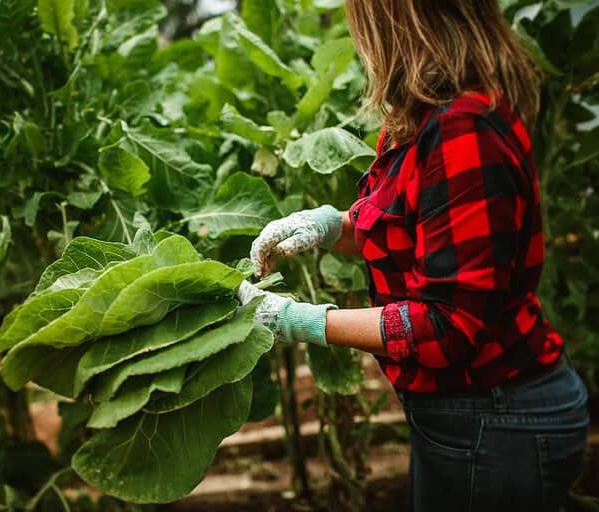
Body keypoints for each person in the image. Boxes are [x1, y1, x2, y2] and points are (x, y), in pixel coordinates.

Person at [236, 1, 590, 510]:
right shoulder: (426, 114)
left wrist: (302, 321)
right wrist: (332, 224)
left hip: (497, 418)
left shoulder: (463, 129)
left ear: (400, 21)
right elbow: (419, 231)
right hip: (471, 415)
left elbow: (450, 325)